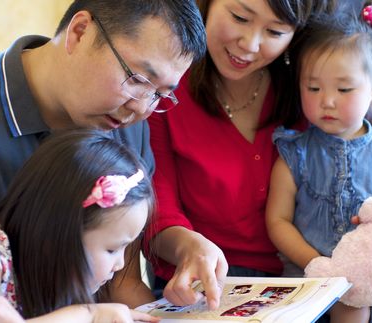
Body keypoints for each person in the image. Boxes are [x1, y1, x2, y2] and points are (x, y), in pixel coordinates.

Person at [0, 0, 206, 321]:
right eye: (139, 80)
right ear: (80, 31)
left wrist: (185, 246)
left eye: (159, 95)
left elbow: (122, 283)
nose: (141, 109)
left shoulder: (128, 128)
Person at [143, 0, 338, 311]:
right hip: (199, 287)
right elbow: (155, 211)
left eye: (274, 31)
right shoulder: (166, 88)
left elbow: (366, 169)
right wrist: (189, 247)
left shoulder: (312, 93)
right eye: (239, 17)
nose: (249, 44)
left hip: (306, 280)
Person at [265, 5, 372, 322]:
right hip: (312, 287)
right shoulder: (294, 153)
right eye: (313, 88)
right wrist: (317, 264)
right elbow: (278, 221)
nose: (327, 100)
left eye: (343, 89)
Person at [0, 130, 160, 322]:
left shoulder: (56, 275)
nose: (120, 265)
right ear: (61, 231)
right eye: (112, 249)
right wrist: (88, 315)